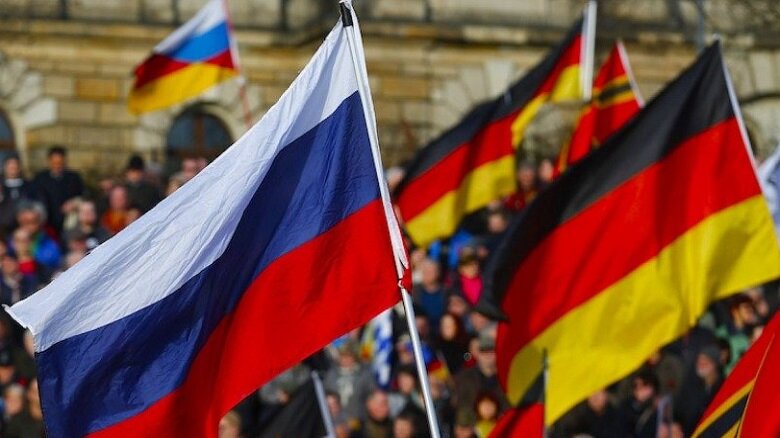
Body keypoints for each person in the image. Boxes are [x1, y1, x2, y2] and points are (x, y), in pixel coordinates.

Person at [452, 332, 509, 415]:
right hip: (473, 421)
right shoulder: (463, 378)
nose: (488, 354)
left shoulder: (508, 377)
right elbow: (460, 406)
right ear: (476, 353)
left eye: (491, 349)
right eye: (483, 350)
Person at [32, 146, 84, 235]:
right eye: (54, 163)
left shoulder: (73, 177)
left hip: (69, 222)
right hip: (47, 223)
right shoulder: (40, 178)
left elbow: (83, 196)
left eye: (60, 163)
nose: (57, 166)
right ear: (49, 161)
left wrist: (74, 203)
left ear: (65, 161)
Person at [11, 202, 61, 280]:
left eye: (33, 222)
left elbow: (53, 260)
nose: (29, 227)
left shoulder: (48, 237)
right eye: (25, 222)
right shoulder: (13, 242)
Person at [412, 258, 446, 332]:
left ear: (438, 273)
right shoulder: (414, 291)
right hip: (421, 330)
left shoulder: (446, 292)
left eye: (431, 271)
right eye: (425, 271)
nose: (427, 274)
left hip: (441, 330)